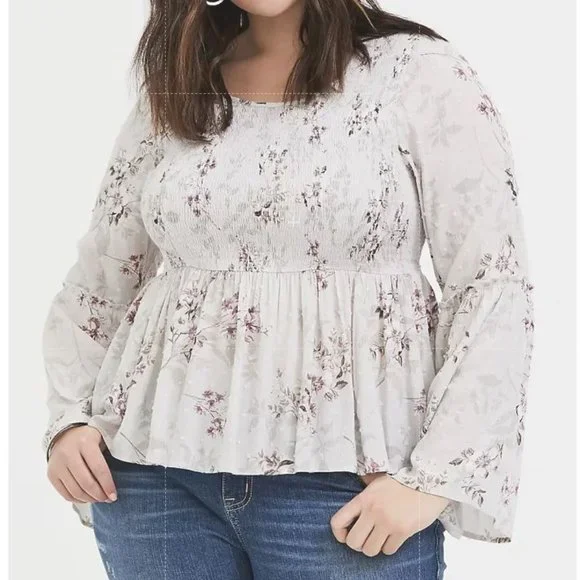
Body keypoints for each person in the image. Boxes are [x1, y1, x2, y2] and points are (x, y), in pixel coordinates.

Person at [41, 1, 535, 578]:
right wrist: (69, 419)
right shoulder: (181, 83)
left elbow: (491, 284)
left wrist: (433, 479)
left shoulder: (418, 74)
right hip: (154, 483)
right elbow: (101, 277)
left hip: (350, 486)